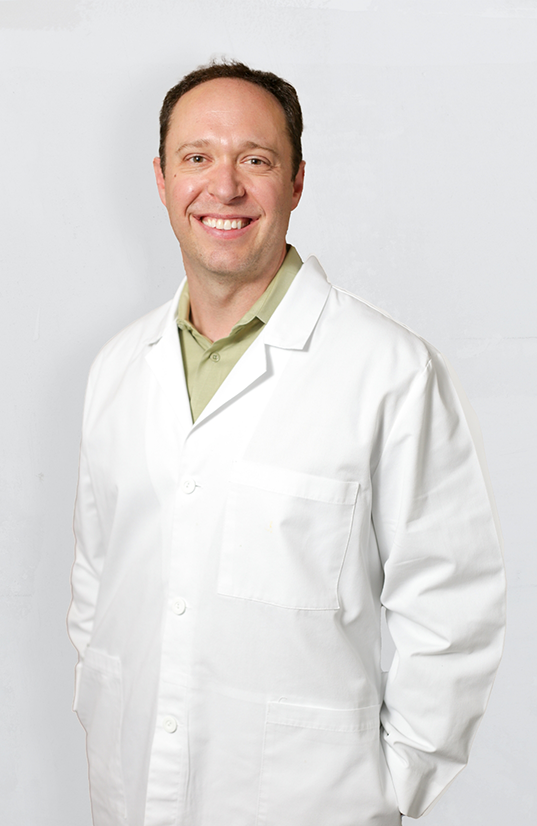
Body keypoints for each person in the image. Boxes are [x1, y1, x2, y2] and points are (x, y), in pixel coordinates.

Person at [68, 60, 506, 826]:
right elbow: (96, 580)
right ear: (162, 179)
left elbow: (451, 602)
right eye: (196, 157)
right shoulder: (118, 368)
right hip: (131, 792)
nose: (224, 187)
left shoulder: (387, 371)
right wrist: (97, 698)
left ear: (297, 181)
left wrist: (393, 786)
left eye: (255, 160)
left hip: (315, 803)